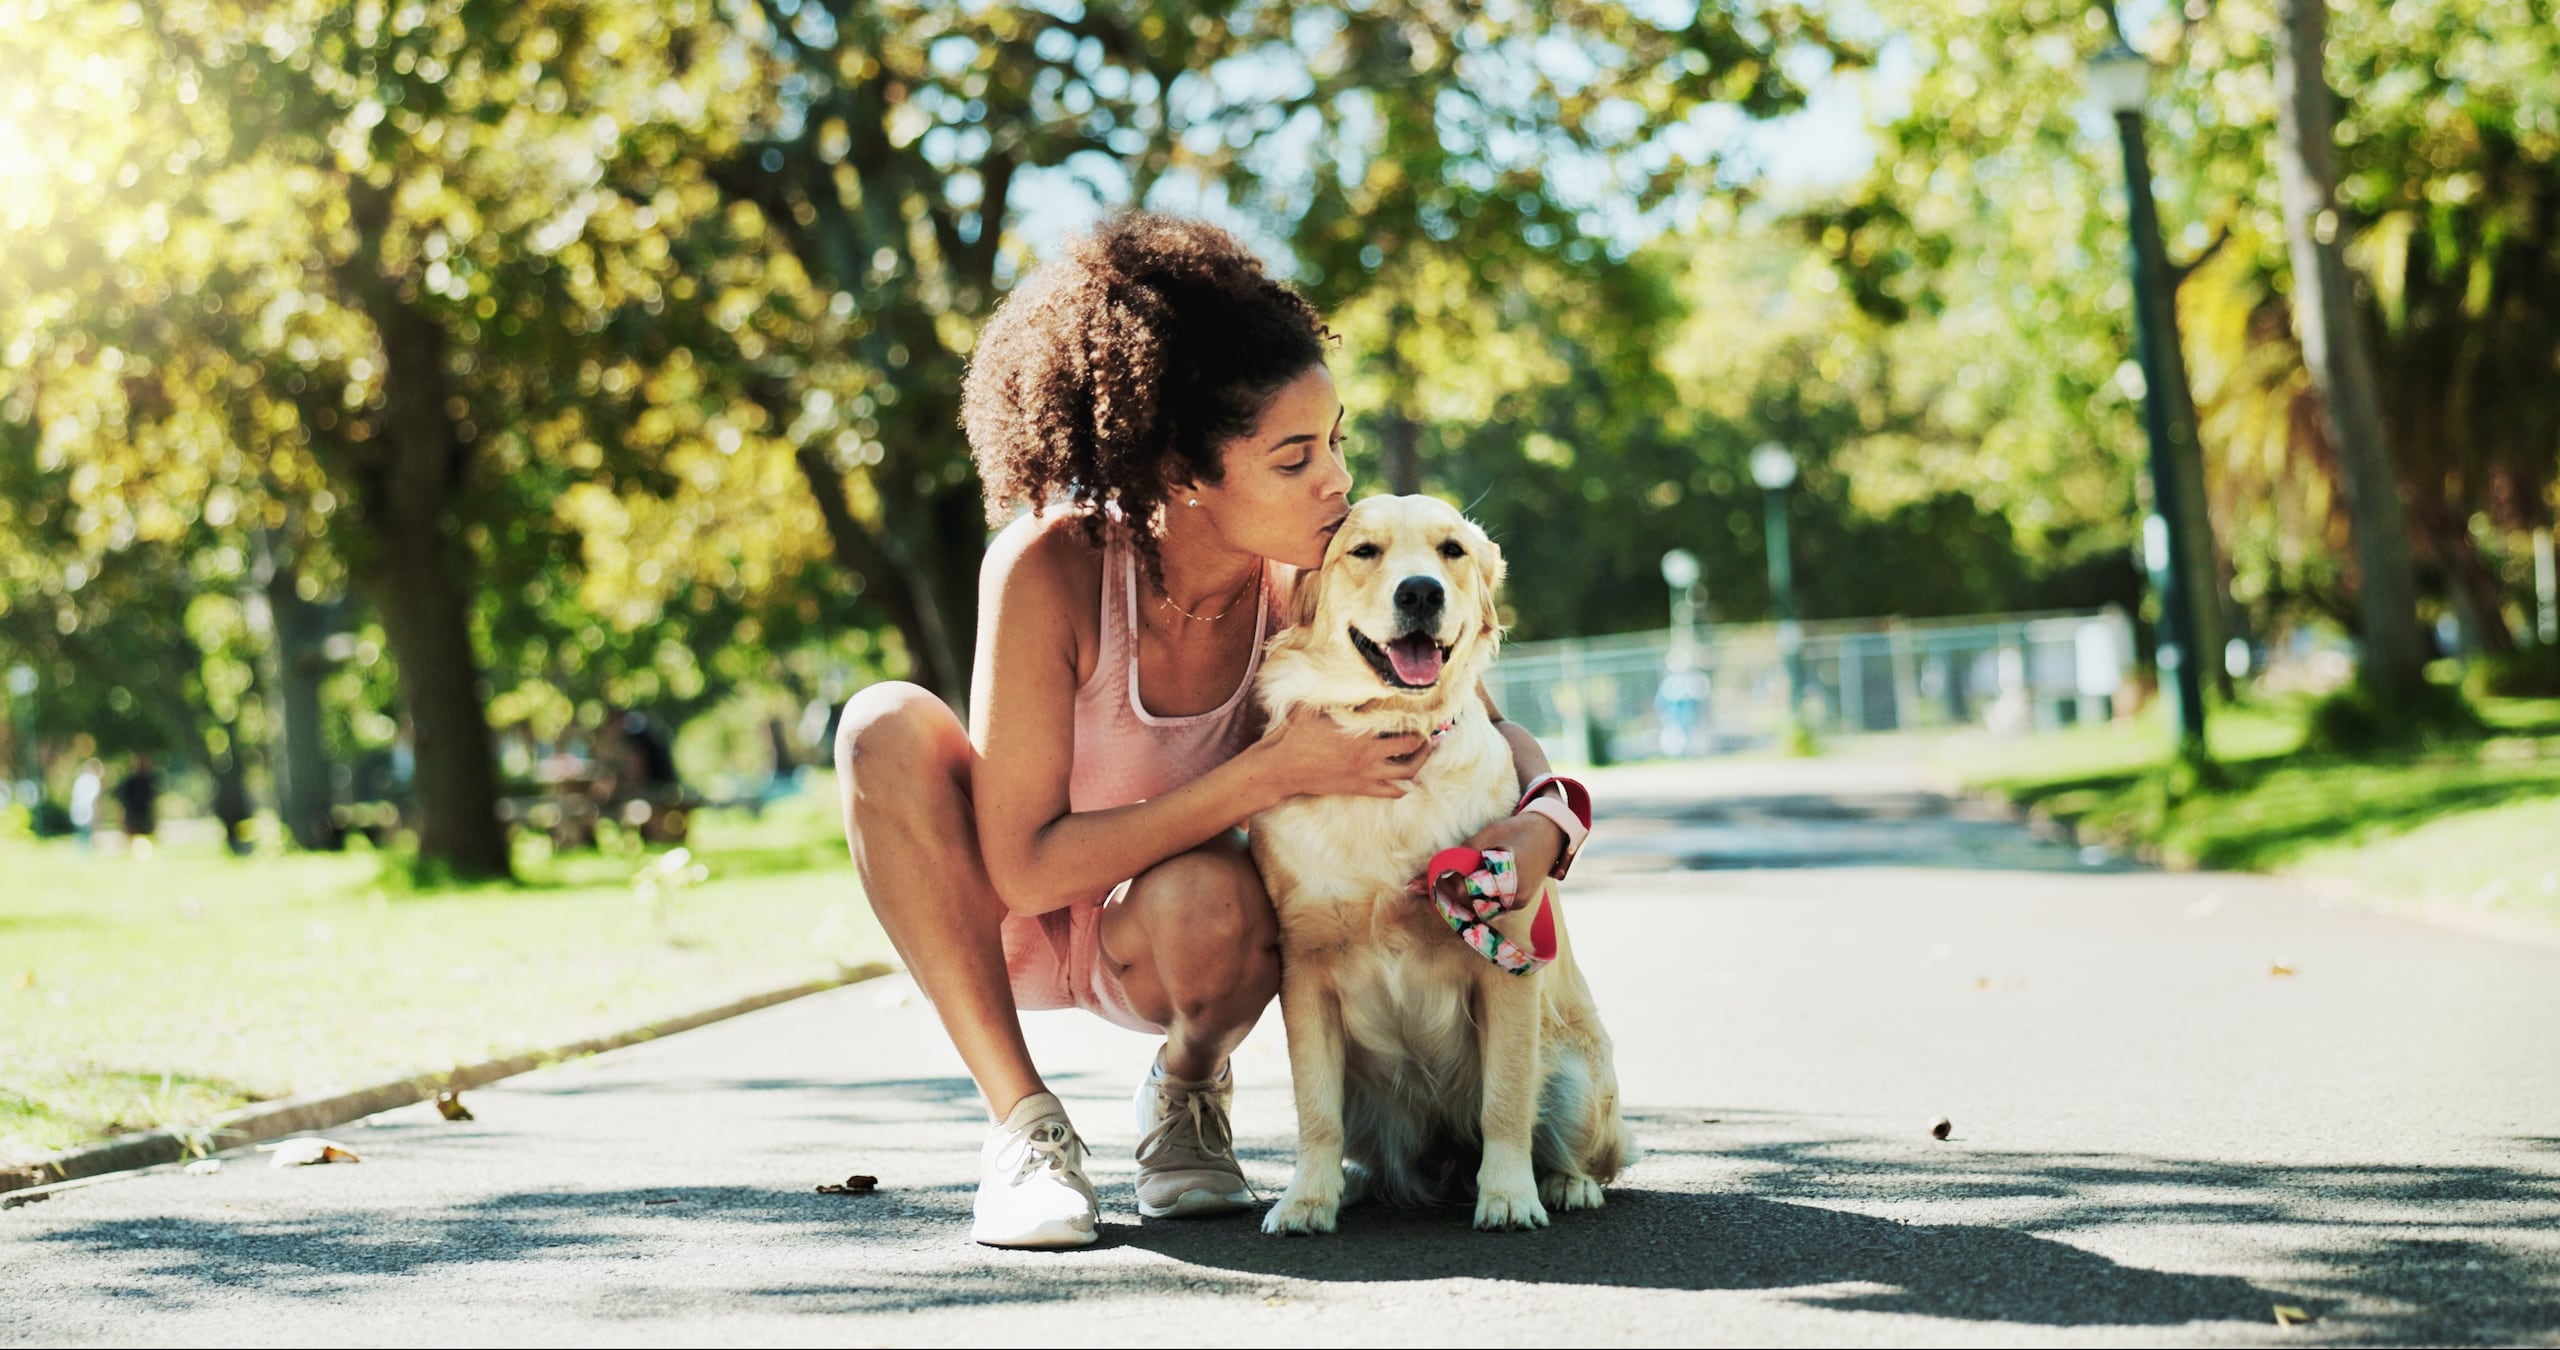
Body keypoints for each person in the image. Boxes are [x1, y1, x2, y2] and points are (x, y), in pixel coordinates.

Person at [835, 214, 1575, 1249]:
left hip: (1178, 933)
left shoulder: (1324, 578)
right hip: (1007, 914)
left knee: (1220, 890)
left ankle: (1186, 1098)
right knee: (880, 723)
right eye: (1293, 458)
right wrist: (1272, 772)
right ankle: (1024, 1127)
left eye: (1337, 441)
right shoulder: (1047, 566)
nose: (1335, 481)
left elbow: (1483, 721)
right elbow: (1029, 872)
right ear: (1181, 473)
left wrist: (1547, 827)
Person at [114, 754, 158, 851]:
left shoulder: (149, 781)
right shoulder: (129, 782)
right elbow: (122, 801)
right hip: (132, 816)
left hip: (145, 817)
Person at [68, 758, 103, 852]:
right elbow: (94, 801)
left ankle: (82, 853)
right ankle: (87, 853)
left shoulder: (79, 779)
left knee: (81, 834)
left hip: (77, 811)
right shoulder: (94, 781)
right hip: (88, 811)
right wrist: (98, 816)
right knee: (87, 835)